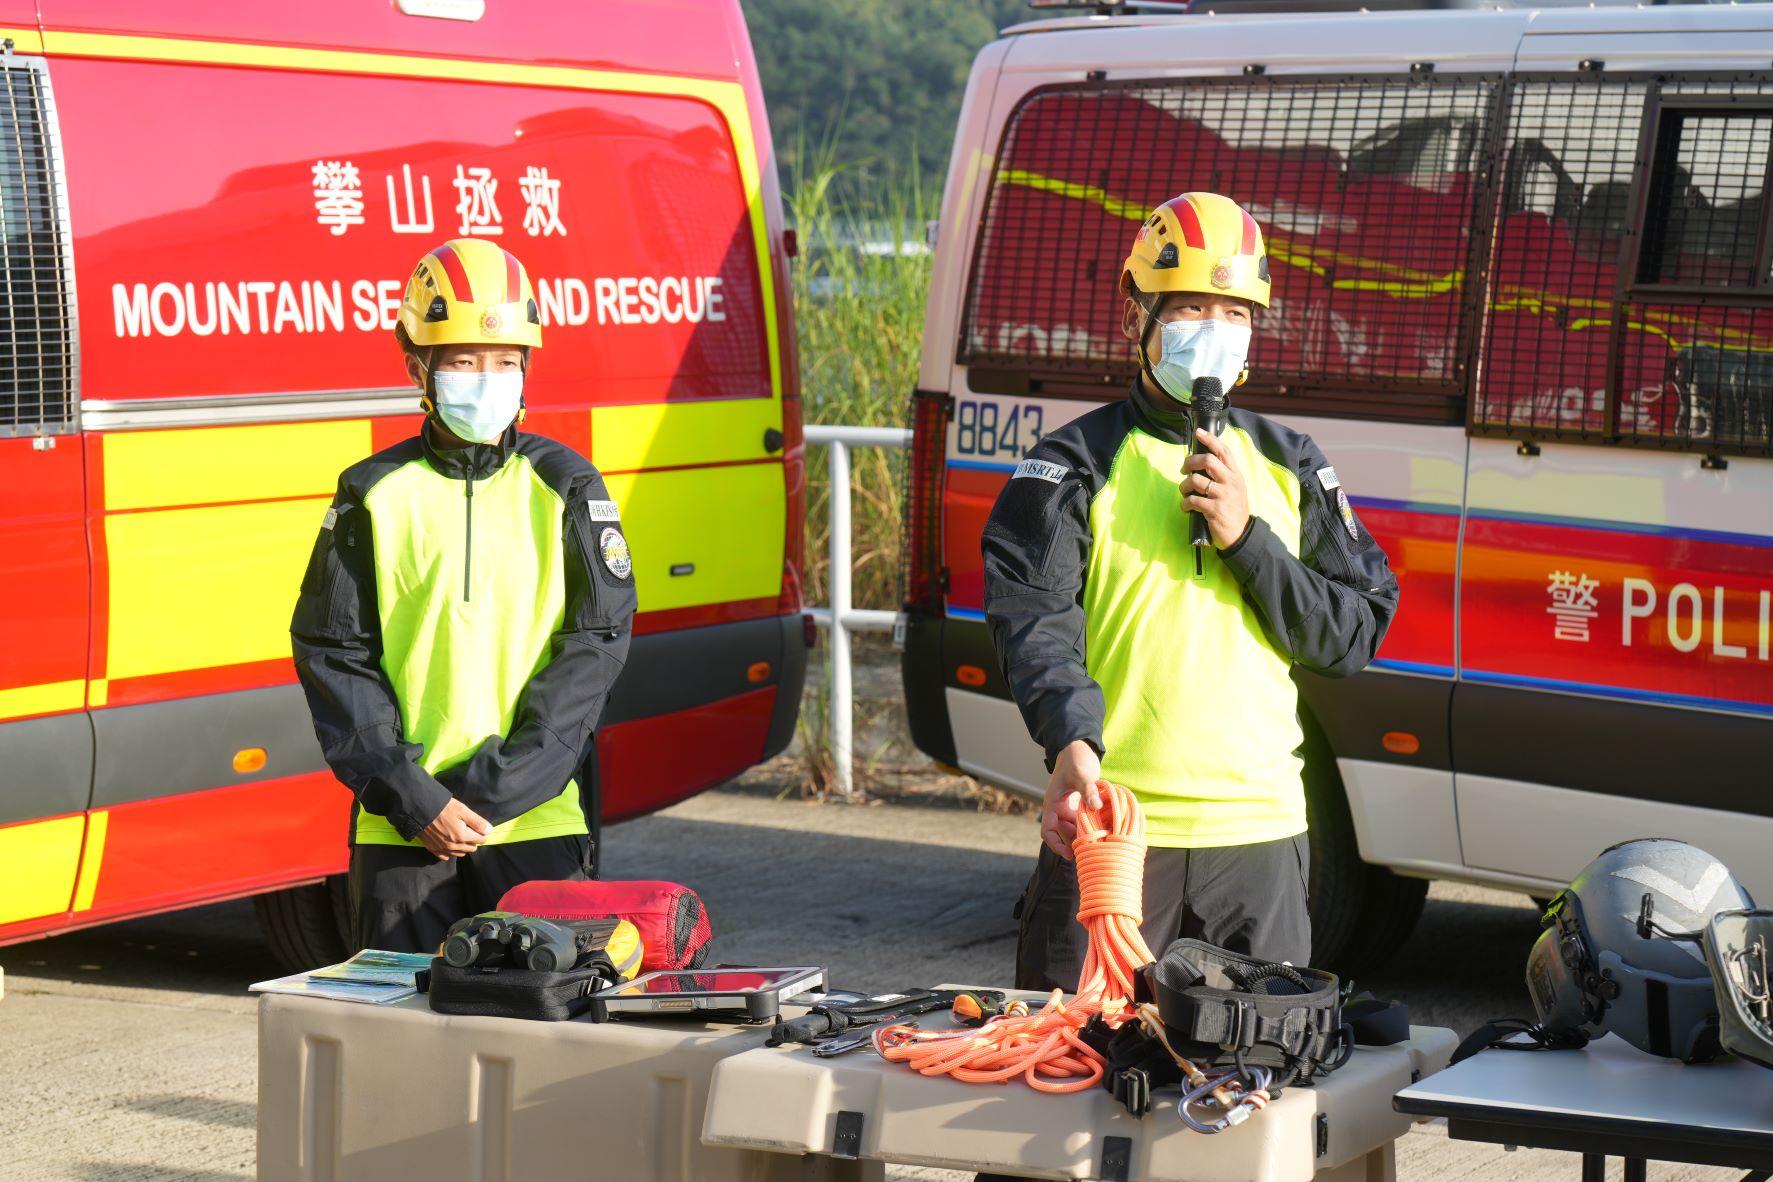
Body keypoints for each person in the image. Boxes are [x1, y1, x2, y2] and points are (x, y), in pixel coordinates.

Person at [983, 193, 1399, 987]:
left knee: (1248, 1089)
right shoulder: (1071, 463)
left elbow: (1350, 634)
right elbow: (1033, 620)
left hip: (1260, 839)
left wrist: (1247, 539)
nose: (1213, 327)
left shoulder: (1289, 462)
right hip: (1113, 830)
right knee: (1071, 1074)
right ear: (1137, 313)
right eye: (1190, 307)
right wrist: (1070, 741)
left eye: (1234, 310)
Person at [291, 239, 637, 954]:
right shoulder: (370, 492)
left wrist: (494, 791)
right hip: (402, 828)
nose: (487, 379)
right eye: (462, 360)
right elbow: (333, 654)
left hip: (538, 824)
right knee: (404, 1046)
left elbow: (595, 645)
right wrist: (415, 799)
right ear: (417, 365)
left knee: (548, 1039)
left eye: (507, 360)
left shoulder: (568, 484)